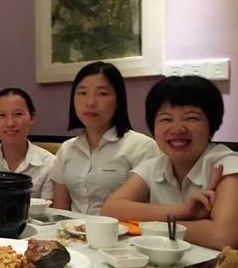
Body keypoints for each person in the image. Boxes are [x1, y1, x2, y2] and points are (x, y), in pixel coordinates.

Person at [101, 76, 238, 264]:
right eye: (166, 119)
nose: (177, 128)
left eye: (191, 118)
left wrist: (148, 225)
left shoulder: (229, 165)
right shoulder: (154, 166)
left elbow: (223, 236)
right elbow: (110, 209)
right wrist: (183, 211)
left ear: (211, 126)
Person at [51, 61, 159, 214]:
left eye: (102, 94)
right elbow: (60, 212)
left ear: (118, 101)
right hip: (72, 229)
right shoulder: (67, 149)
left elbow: (152, 208)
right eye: (82, 93)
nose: (90, 102)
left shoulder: (142, 147)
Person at [0, 88, 54, 199]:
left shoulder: (48, 163)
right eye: (2, 115)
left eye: (18, 114)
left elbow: (48, 208)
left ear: (32, 118)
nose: (10, 123)